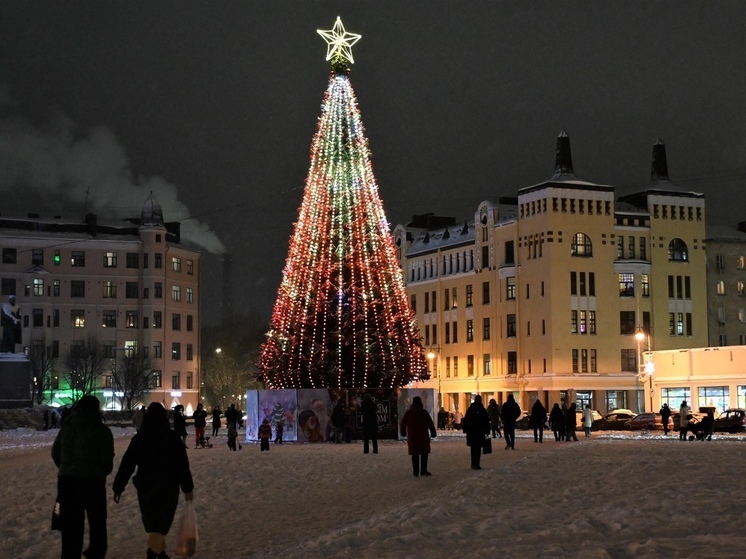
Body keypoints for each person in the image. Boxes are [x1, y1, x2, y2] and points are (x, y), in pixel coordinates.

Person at [113, 403, 194, 559]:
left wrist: (119, 486)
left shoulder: (140, 438)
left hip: (146, 485)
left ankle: (160, 551)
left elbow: (127, 463)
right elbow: (182, 465)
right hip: (168, 485)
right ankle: (153, 553)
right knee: (161, 522)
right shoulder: (172, 438)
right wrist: (187, 488)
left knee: (153, 522)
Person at [51, 395, 115, 559]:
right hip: (93, 482)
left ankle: (70, 555)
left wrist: (66, 468)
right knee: (97, 522)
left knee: (71, 525)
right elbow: (106, 459)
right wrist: (100, 471)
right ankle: (95, 552)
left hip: (67, 482)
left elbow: (55, 453)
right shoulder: (101, 431)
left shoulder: (67, 428)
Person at [400, 396, 437, 477]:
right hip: (423, 436)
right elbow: (430, 424)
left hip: (413, 437)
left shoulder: (409, 413)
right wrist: (433, 432)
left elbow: (403, 424)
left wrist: (403, 432)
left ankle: (415, 471)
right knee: (424, 454)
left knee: (415, 454)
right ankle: (423, 470)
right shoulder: (424, 413)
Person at [463, 395, 490, 470]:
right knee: (478, 448)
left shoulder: (470, 409)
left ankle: (473, 463)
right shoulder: (482, 410)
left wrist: (465, 429)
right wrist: (487, 430)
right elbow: (486, 421)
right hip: (479, 431)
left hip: (471, 431)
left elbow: (466, 419)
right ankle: (477, 464)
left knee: (473, 448)